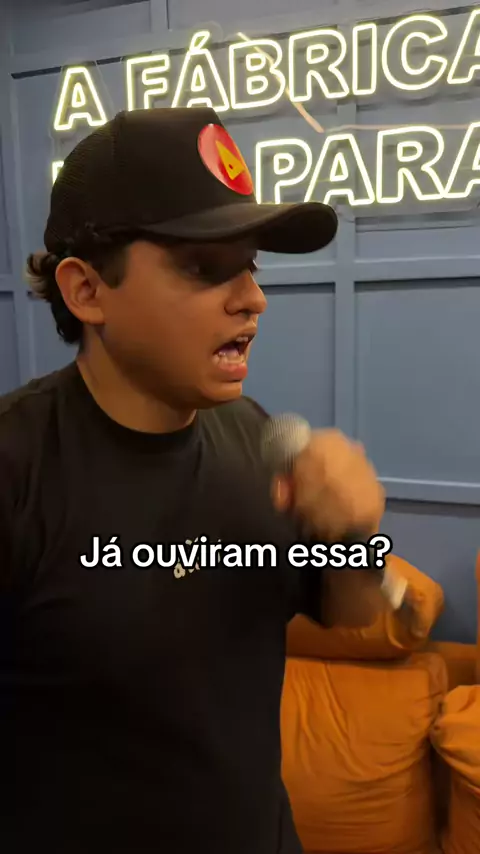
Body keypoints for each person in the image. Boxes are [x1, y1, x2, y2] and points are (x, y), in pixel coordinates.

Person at [0, 107, 388, 854]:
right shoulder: (17, 466)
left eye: (252, 266)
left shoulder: (256, 435)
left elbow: (350, 609)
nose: (252, 299)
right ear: (86, 291)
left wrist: (354, 534)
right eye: (205, 267)